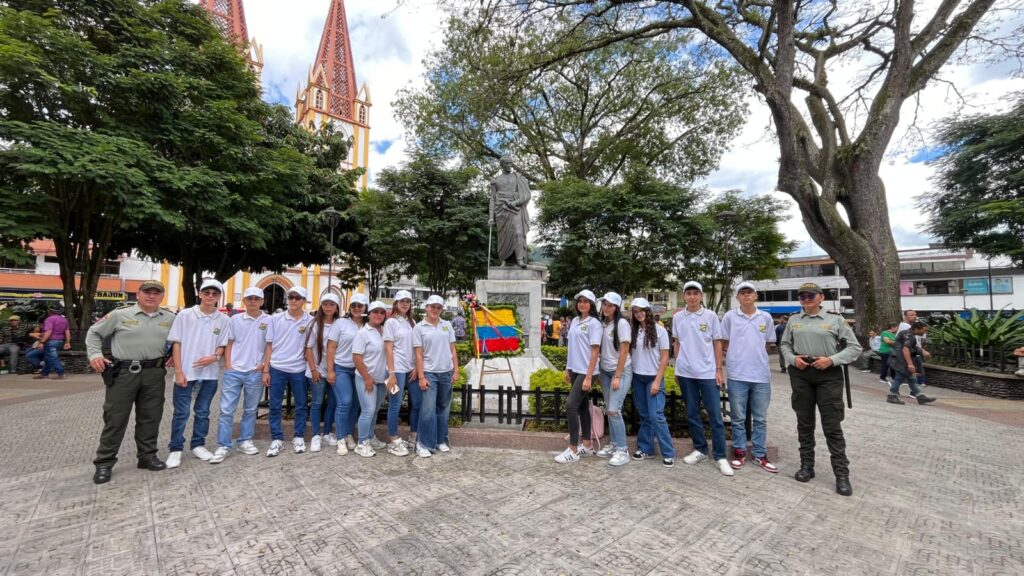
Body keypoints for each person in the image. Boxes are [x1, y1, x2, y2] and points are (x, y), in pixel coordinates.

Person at [86, 280, 175, 484]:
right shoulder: (120, 315)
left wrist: (173, 355)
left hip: (154, 373)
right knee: (115, 418)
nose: (151, 296)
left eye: (156, 293)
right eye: (147, 292)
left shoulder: (170, 318)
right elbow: (94, 332)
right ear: (138, 294)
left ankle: (147, 457)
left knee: (150, 416)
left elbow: (179, 341)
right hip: (124, 373)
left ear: (162, 296)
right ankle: (104, 463)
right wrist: (94, 355)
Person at [779, 282, 862, 496]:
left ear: (820, 297)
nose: (806, 299)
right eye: (802, 297)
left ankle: (841, 475)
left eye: (810, 296)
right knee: (804, 423)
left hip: (828, 375)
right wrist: (792, 359)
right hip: (801, 374)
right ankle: (807, 466)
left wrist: (832, 360)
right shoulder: (794, 320)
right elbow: (785, 345)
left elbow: (855, 348)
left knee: (832, 426)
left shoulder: (835, 319)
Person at [166, 279, 230, 468]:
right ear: (200, 294)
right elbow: (176, 343)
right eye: (207, 292)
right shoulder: (185, 315)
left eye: (215, 293)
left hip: (209, 375)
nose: (210, 296)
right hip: (186, 372)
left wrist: (216, 357)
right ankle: (176, 448)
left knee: (202, 412)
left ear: (219, 297)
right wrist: (178, 371)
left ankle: (198, 444)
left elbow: (222, 344)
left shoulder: (223, 319)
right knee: (181, 413)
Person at [674, 281, 731, 476]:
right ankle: (700, 449)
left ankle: (720, 455)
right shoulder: (678, 317)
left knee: (715, 414)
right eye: (688, 293)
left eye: (695, 293)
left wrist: (718, 369)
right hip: (685, 373)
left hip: (707, 372)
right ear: (684, 296)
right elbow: (677, 342)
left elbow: (717, 343)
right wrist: (677, 367)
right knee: (692, 413)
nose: (691, 297)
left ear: (701, 296)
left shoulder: (711, 316)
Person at [721, 282, 778, 473]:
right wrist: (737, 355)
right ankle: (739, 452)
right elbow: (724, 341)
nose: (746, 295)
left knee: (760, 418)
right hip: (737, 374)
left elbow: (768, 343)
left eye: (749, 292)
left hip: (761, 375)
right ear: (737, 297)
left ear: (756, 296)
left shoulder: (766, 317)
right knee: (738, 417)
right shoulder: (730, 317)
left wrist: (755, 357)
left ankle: (760, 454)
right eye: (742, 293)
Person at [210, 287, 269, 464]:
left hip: (255, 371)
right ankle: (223, 445)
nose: (253, 301)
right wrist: (228, 365)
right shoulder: (235, 319)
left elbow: (269, 345)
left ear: (262, 301)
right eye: (249, 298)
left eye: (256, 299)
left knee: (251, 409)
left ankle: (245, 440)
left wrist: (263, 364)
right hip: (234, 371)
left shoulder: (269, 320)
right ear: (244, 301)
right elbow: (229, 342)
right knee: (226, 410)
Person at [263, 286, 313, 457]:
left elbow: (310, 347)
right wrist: (266, 369)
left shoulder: (309, 321)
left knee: (301, 405)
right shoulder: (275, 319)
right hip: (277, 367)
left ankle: (298, 436)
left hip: (299, 368)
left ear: (304, 301)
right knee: (275, 405)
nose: (293, 300)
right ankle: (276, 438)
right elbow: (269, 346)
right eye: (290, 297)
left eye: (297, 298)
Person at [554, 290, 602, 464]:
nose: (582, 304)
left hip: (586, 371)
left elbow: (596, 350)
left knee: (570, 406)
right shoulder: (575, 321)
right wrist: (567, 368)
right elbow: (571, 347)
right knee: (582, 407)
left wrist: (589, 376)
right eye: (580, 301)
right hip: (575, 369)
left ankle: (573, 450)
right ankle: (587, 445)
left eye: (586, 301)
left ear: (591, 304)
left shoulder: (594, 323)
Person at [628, 298, 674, 467]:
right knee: (645, 416)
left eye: (641, 310)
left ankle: (668, 452)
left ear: (648, 311)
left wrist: (657, 381)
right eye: (635, 311)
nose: (638, 314)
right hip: (638, 378)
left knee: (656, 416)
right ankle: (645, 448)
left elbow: (664, 357)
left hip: (653, 378)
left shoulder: (660, 330)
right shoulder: (633, 331)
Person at [413, 294, 459, 457]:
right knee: (427, 410)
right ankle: (424, 444)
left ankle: (441, 440)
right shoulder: (419, 327)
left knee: (443, 408)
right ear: (427, 308)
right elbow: (418, 354)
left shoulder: (447, 325)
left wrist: (456, 370)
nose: (435, 310)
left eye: (438, 307)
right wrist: (421, 376)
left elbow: (452, 349)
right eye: (432, 307)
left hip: (446, 372)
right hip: (429, 373)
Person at [326, 294, 368, 455]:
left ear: (365, 308)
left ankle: (349, 433)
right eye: (354, 305)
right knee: (345, 402)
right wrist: (330, 370)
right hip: (342, 368)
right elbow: (331, 347)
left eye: (360, 305)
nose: (357, 308)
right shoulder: (340, 323)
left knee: (356, 404)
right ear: (349, 308)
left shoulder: (369, 325)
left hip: (360, 370)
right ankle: (340, 438)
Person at [595, 292, 632, 467]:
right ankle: (615, 444)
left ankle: (623, 450)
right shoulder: (602, 324)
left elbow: (624, 351)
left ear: (616, 308)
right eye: (605, 304)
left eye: (610, 305)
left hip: (621, 371)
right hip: (605, 371)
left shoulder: (622, 324)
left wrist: (617, 375)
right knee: (609, 409)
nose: (606, 308)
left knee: (613, 410)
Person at [353, 300, 390, 457]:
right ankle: (361, 443)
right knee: (368, 410)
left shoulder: (385, 331)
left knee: (374, 410)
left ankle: (370, 437)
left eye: (382, 312)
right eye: (375, 312)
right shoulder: (363, 332)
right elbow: (357, 357)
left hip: (382, 379)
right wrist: (367, 378)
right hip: (366, 379)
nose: (379, 315)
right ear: (369, 314)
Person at [304, 294, 340, 453]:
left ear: (337, 307)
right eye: (325, 304)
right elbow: (308, 348)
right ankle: (315, 435)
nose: (328, 307)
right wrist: (313, 369)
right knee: (317, 403)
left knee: (333, 402)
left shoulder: (340, 324)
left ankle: (327, 432)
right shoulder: (314, 324)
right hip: (317, 370)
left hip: (334, 370)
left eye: (332, 304)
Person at [383, 290, 416, 457]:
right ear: (395, 303)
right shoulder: (391, 323)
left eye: (408, 301)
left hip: (411, 369)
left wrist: (417, 366)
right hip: (397, 370)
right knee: (395, 405)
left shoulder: (411, 322)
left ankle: (412, 436)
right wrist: (392, 373)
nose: (405, 304)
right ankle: (393, 439)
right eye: (401, 301)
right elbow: (388, 349)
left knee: (415, 404)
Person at [488, 155, 531, 267]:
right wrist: (491, 217)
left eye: (511, 163)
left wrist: (515, 202)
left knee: (518, 233)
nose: (509, 165)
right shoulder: (496, 180)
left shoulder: (518, 177)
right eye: (507, 163)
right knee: (503, 237)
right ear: (501, 165)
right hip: (501, 210)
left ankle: (520, 259)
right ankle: (504, 260)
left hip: (515, 209)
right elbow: (492, 198)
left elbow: (526, 195)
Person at [887, 321, 937, 405]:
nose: (924, 332)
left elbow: (911, 347)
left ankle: (920, 396)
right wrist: (910, 364)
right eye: (923, 330)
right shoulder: (909, 336)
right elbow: (905, 349)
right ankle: (892, 395)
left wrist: (922, 351)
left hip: (898, 358)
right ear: (917, 329)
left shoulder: (906, 333)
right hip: (900, 360)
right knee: (899, 377)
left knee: (912, 379)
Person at [27, 304, 71, 379]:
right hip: (59, 341)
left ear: (50, 311)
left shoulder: (49, 319)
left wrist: (42, 342)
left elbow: (49, 331)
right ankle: (44, 373)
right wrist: (67, 342)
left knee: (53, 357)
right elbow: (67, 332)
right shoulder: (64, 320)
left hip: (51, 341)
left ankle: (61, 373)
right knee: (48, 357)